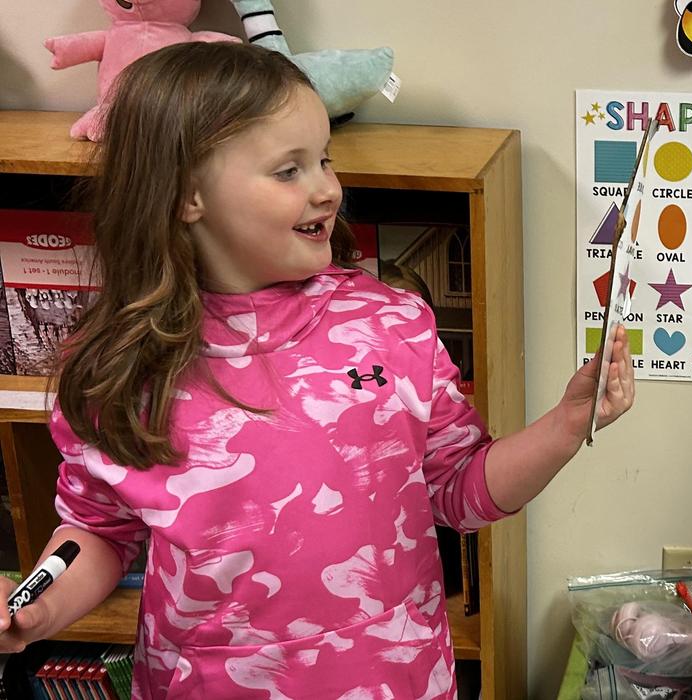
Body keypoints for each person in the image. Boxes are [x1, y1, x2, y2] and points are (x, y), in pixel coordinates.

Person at [0, 41, 635, 698]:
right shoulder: (120, 367)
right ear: (187, 194)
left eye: (324, 160)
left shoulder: (391, 325)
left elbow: (459, 491)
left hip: (394, 680)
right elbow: (97, 531)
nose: (327, 188)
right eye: (288, 170)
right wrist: (37, 605)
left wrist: (563, 427)